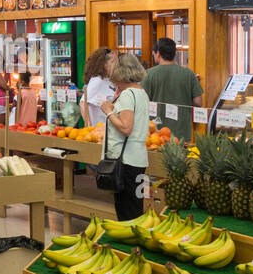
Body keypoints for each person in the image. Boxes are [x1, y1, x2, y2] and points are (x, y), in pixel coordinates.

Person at [99, 53, 150, 221]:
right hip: (138, 158)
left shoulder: (128, 95)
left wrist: (108, 112)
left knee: (127, 212)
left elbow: (126, 127)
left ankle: (131, 244)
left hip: (125, 161)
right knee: (135, 207)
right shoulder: (141, 92)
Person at [142, 37, 203, 142]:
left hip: (156, 134)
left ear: (158, 54)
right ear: (174, 54)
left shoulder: (148, 74)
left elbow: (141, 101)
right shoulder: (188, 74)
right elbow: (198, 102)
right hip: (182, 133)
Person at [81, 47, 116, 126]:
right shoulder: (97, 81)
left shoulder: (108, 80)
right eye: (113, 62)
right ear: (104, 64)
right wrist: (89, 126)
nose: (116, 65)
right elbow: (83, 103)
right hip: (99, 128)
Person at [0, 52, 11, 126]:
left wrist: (6, 75)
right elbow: (5, 87)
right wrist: (9, 88)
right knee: (0, 128)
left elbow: (3, 84)